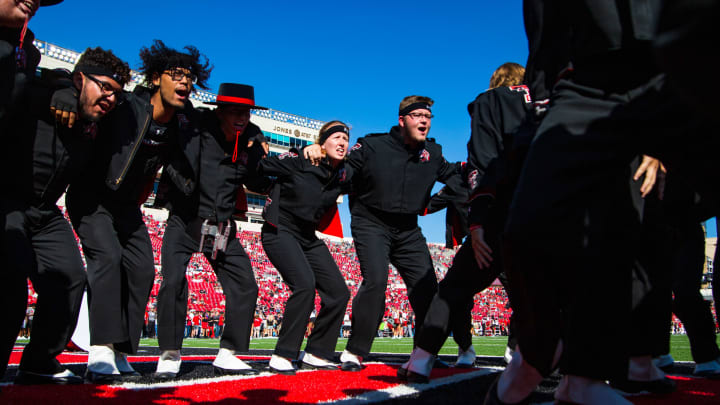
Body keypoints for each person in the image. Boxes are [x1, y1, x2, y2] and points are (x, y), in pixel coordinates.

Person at [66, 40, 211, 383]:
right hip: (93, 195)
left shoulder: (182, 123)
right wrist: (62, 93)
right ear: (156, 78)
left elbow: (216, 126)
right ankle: (99, 349)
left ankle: (119, 350)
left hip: (127, 206)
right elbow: (68, 83)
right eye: (176, 75)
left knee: (143, 270)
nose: (185, 83)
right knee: (108, 258)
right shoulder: (127, 106)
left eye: (190, 77)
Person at [307, 96, 464, 371]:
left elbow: (456, 176)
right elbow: (345, 170)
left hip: (408, 228)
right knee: (376, 282)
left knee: (427, 288)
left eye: (427, 116)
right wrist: (320, 156)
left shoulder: (433, 154)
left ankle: (424, 351)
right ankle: (355, 352)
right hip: (371, 222)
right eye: (416, 115)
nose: (424, 120)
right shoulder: (372, 145)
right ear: (402, 120)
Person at [2, 47, 129, 385]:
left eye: (115, 93)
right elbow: (34, 77)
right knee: (11, 281)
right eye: (103, 87)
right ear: (79, 79)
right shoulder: (44, 94)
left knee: (71, 276)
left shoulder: (100, 121)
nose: (109, 98)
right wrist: (59, 88)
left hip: (46, 210)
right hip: (9, 200)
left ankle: (39, 360)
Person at [400, 63, 533, 382]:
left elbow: (482, 164)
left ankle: (420, 359)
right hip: (547, 210)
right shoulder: (550, 96)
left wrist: (478, 221)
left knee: (453, 289)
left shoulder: (492, 100)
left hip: (501, 212)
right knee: (540, 293)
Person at [153, 83, 269, 379]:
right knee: (173, 280)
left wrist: (260, 146)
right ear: (219, 112)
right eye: (234, 111)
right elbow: (182, 112)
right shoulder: (198, 127)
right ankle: (169, 353)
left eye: (246, 112)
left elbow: (257, 181)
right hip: (185, 219)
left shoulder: (250, 141)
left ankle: (229, 353)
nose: (242, 118)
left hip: (221, 226)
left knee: (245, 284)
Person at [0, 0, 64, 381]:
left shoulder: (27, 49)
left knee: (11, 286)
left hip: (8, 182)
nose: (35, 1)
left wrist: (58, 86)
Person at [260, 121, 352, 374]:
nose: (342, 143)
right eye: (336, 138)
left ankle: (316, 353)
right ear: (322, 143)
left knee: (338, 293)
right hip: (279, 230)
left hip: (307, 236)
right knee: (304, 285)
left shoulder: (343, 172)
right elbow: (263, 165)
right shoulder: (302, 159)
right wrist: (302, 150)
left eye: (345, 139)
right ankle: (283, 354)